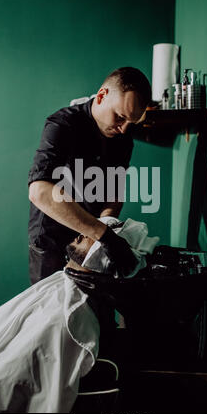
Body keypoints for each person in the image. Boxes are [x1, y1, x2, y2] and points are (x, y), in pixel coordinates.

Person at [0, 217, 159, 413]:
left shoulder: (69, 317)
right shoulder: (60, 285)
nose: (83, 233)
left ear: (105, 257)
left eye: (95, 236)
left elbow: (5, 386)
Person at [28, 67, 152, 285]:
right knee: (51, 314)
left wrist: (108, 226)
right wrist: (103, 234)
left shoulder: (123, 138)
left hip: (92, 239)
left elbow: (114, 191)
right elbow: (39, 191)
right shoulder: (62, 124)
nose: (124, 129)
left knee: (96, 313)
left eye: (130, 123)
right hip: (51, 238)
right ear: (102, 95)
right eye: (120, 117)